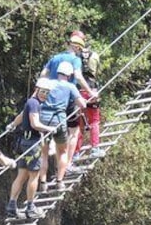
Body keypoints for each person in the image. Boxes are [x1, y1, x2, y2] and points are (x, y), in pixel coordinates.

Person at [39, 30, 96, 166]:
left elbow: (43, 75)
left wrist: (42, 91)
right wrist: (90, 91)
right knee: (73, 132)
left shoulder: (55, 58)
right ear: (77, 47)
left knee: (47, 141)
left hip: (50, 98)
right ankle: (67, 165)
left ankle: (48, 175)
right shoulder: (75, 59)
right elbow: (77, 76)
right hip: (68, 99)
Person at [5, 77, 54, 219]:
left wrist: (13, 124)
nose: (45, 95)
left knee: (22, 175)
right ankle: (30, 207)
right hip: (32, 144)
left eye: (47, 93)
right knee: (34, 176)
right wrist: (49, 129)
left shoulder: (30, 102)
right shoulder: (34, 104)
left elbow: (21, 116)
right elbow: (35, 123)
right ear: (37, 90)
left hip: (23, 143)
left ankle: (12, 206)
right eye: (43, 91)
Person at [37, 61, 88, 192]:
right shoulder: (71, 86)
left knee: (43, 154)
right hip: (59, 121)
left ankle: (43, 183)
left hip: (43, 120)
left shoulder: (47, 83)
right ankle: (59, 182)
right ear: (69, 75)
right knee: (62, 152)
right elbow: (82, 104)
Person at [76, 45, 105, 159]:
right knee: (94, 120)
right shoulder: (95, 56)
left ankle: (76, 153)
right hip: (91, 90)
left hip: (79, 91)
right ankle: (95, 148)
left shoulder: (76, 57)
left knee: (79, 123)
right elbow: (96, 71)